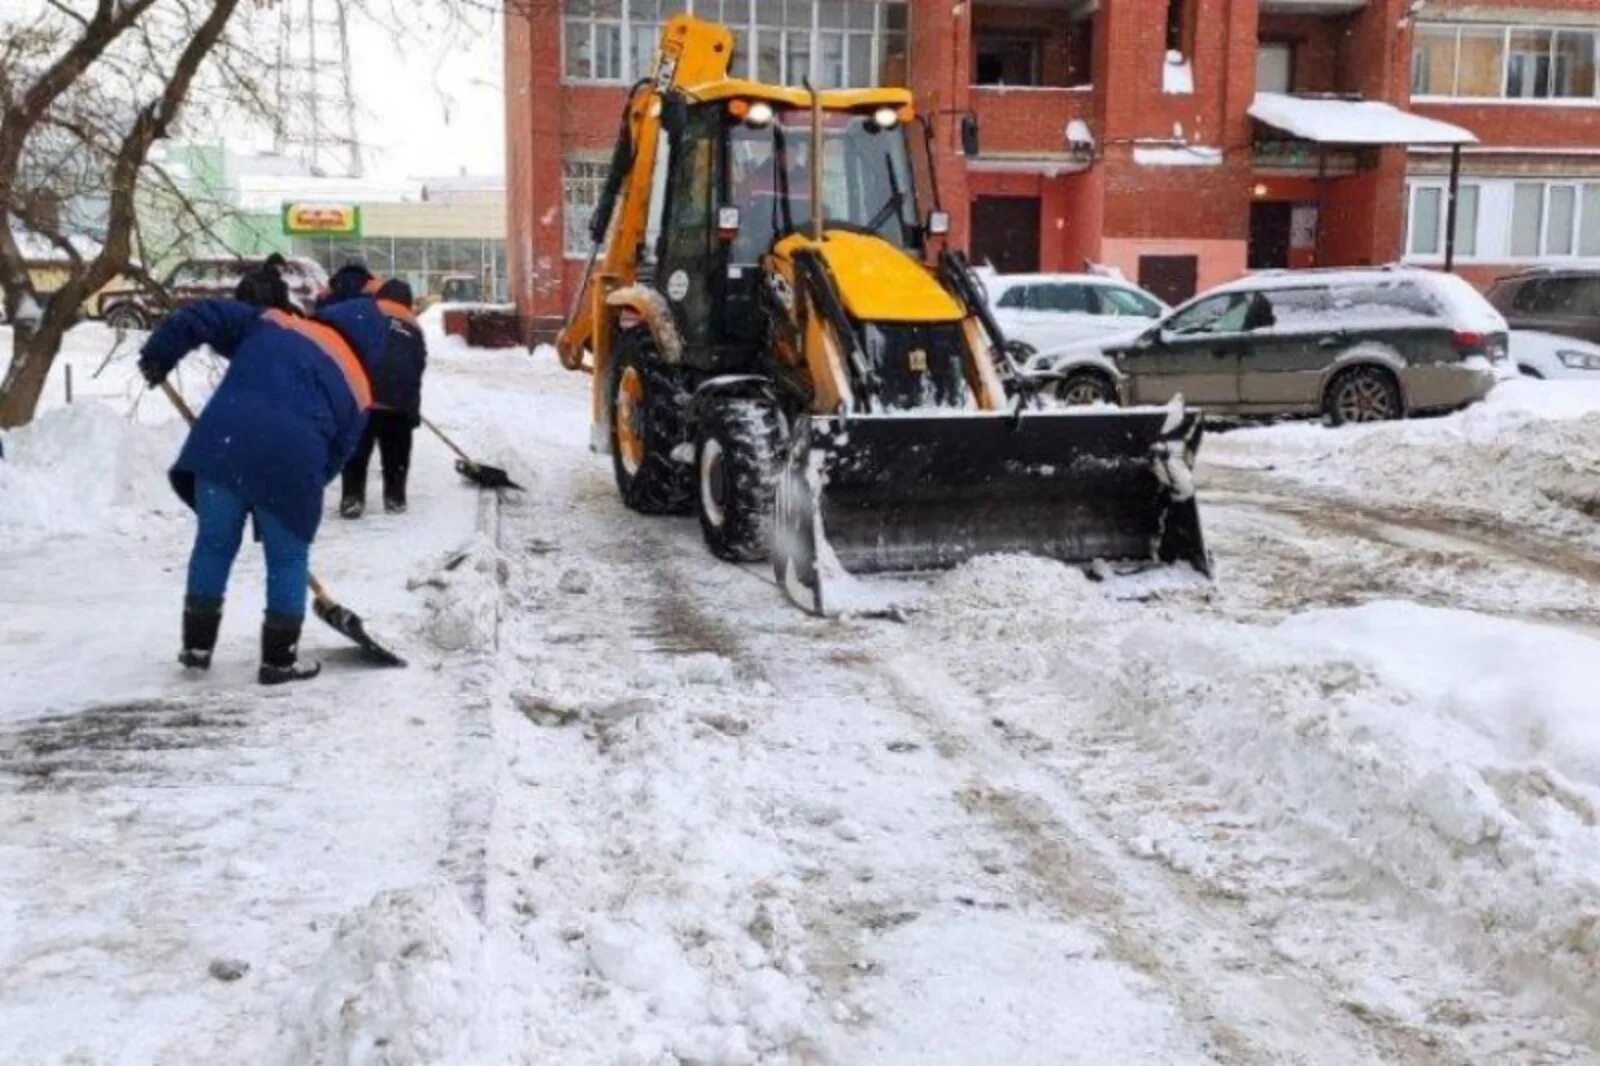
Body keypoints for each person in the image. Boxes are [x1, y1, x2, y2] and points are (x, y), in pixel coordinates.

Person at [138, 296, 389, 684]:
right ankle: (278, 661)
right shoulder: (359, 386)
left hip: (224, 445)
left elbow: (205, 314)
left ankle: (196, 649)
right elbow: (337, 456)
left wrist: (161, 353)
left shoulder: (275, 323)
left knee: (214, 544)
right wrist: (287, 491)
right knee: (288, 560)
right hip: (292, 467)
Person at [341, 278, 427, 517]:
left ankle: (352, 497)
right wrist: (411, 408)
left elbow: (348, 354)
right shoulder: (413, 326)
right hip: (398, 402)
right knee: (396, 453)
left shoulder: (365, 317)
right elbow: (417, 366)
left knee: (356, 452)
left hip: (363, 399)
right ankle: (395, 497)